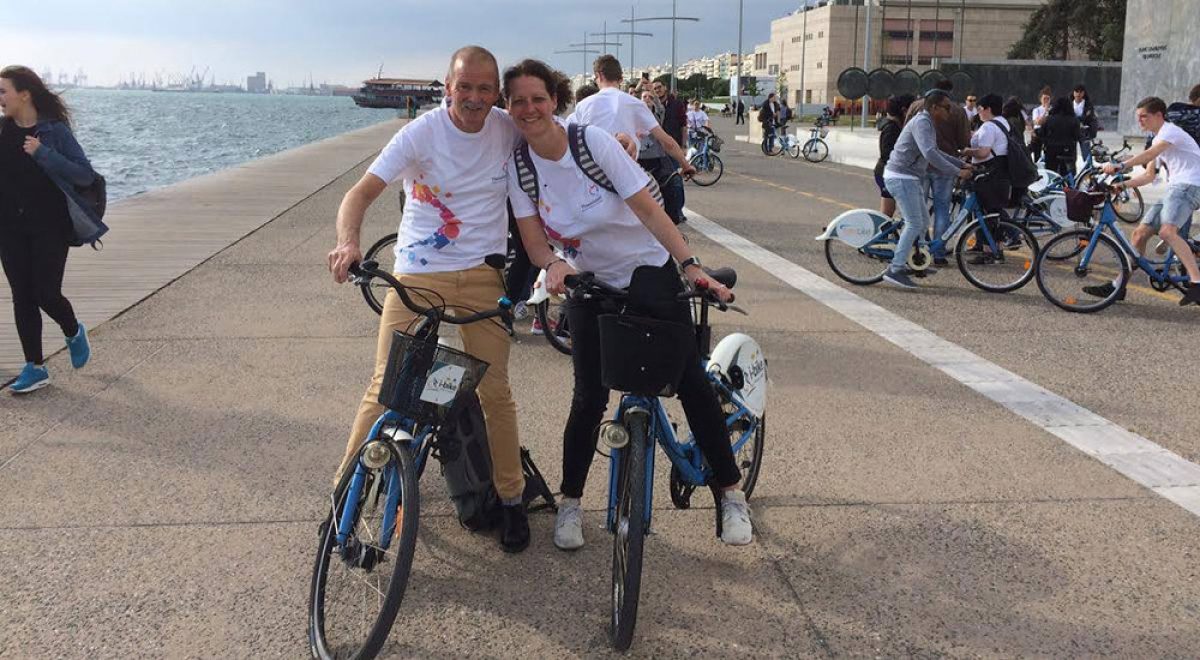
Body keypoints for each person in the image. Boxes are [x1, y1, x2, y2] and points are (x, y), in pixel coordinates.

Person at [501, 59, 752, 549]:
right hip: (589, 282)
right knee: (588, 396)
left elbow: (650, 211)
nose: (529, 109)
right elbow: (533, 242)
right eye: (518, 101)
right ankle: (571, 503)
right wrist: (553, 264)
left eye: (538, 98)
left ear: (555, 101)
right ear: (508, 108)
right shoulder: (520, 166)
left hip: (648, 268)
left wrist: (690, 266)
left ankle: (730, 492)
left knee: (689, 382)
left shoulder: (591, 143)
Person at [326, 45, 532, 553]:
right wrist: (349, 243)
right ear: (448, 87)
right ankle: (342, 500)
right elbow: (359, 194)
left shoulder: (506, 128)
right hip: (419, 272)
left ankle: (511, 498)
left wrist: (623, 139)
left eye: (485, 89)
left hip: (483, 275)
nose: (474, 98)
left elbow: (559, 136)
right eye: (465, 87)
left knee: (495, 392)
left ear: (496, 93)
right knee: (385, 386)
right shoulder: (420, 133)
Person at [0, 65, 100, 394]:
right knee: (22, 296)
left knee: (46, 293)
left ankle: (73, 330)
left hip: (50, 226)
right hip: (9, 228)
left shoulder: (54, 132)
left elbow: (84, 175)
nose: (0, 98)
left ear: (24, 94)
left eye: (3, 91)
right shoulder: (2, 131)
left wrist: (43, 153)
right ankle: (35, 367)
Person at [1089, 96, 1200, 306]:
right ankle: (1118, 286)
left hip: (1190, 186)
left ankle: (1197, 283)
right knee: (1139, 235)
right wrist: (1121, 185)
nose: (1140, 121)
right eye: (1138, 117)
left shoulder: (1170, 132)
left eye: (1143, 117)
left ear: (1158, 115)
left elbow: (1149, 154)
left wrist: (1121, 166)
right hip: (1176, 189)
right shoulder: (1158, 138)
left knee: (1168, 232)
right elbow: (1149, 176)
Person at [881, 89, 971, 289]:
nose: (950, 112)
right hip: (901, 177)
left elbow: (936, 151)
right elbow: (929, 153)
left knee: (922, 223)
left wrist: (961, 164)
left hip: (910, 177)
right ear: (935, 107)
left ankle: (917, 260)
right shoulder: (922, 122)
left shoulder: (928, 122)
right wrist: (958, 171)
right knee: (914, 223)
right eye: (946, 108)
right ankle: (895, 269)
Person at [573, 55, 695, 186]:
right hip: (626, 179)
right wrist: (686, 165)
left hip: (593, 179)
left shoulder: (582, 106)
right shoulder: (635, 104)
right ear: (620, 78)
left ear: (599, 75)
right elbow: (666, 142)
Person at [905, 78, 972, 264]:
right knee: (942, 208)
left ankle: (920, 249)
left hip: (920, 165)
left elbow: (906, 131)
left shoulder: (916, 107)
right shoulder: (957, 111)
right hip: (945, 166)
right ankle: (939, 252)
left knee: (919, 208)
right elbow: (963, 141)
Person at [960, 94, 1012, 217]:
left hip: (988, 174)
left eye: (980, 109)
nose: (978, 112)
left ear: (988, 109)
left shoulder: (988, 126)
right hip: (1001, 171)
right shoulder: (1003, 122)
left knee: (987, 210)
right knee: (994, 210)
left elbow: (983, 152)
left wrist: (966, 151)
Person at [651, 80, 690, 224]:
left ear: (665, 88)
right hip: (655, 150)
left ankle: (678, 210)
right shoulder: (650, 105)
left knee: (675, 180)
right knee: (658, 182)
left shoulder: (676, 104)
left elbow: (683, 126)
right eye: (655, 88)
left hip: (672, 148)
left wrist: (683, 145)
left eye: (659, 87)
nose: (658, 90)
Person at [875, 95, 912, 218]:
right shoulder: (891, 128)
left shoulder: (895, 126)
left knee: (888, 211)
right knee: (887, 212)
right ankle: (881, 229)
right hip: (886, 172)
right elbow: (886, 153)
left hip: (887, 172)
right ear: (904, 110)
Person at [1041, 97, 1082, 178]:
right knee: (1068, 175)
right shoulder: (1074, 120)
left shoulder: (1049, 119)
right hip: (1068, 151)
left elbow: (1042, 133)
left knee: (1051, 174)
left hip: (1051, 150)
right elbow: (1077, 136)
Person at [1072, 84, 1100, 155]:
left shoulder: (1088, 104)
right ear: (1073, 93)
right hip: (1072, 131)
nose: (1078, 94)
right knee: (1071, 153)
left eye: (1080, 92)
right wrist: (1082, 118)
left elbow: (1089, 118)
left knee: (1086, 153)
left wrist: (1076, 119)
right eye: (1076, 92)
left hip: (1084, 132)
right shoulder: (1069, 104)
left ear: (1083, 93)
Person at [1029, 87, 1052, 162]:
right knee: (1037, 154)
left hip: (1049, 133)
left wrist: (1043, 119)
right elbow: (1038, 122)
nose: (1046, 100)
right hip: (1038, 133)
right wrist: (1046, 111)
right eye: (1044, 98)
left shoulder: (1053, 110)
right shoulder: (1036, 110)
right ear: (1040, 99)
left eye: (1048, 98)